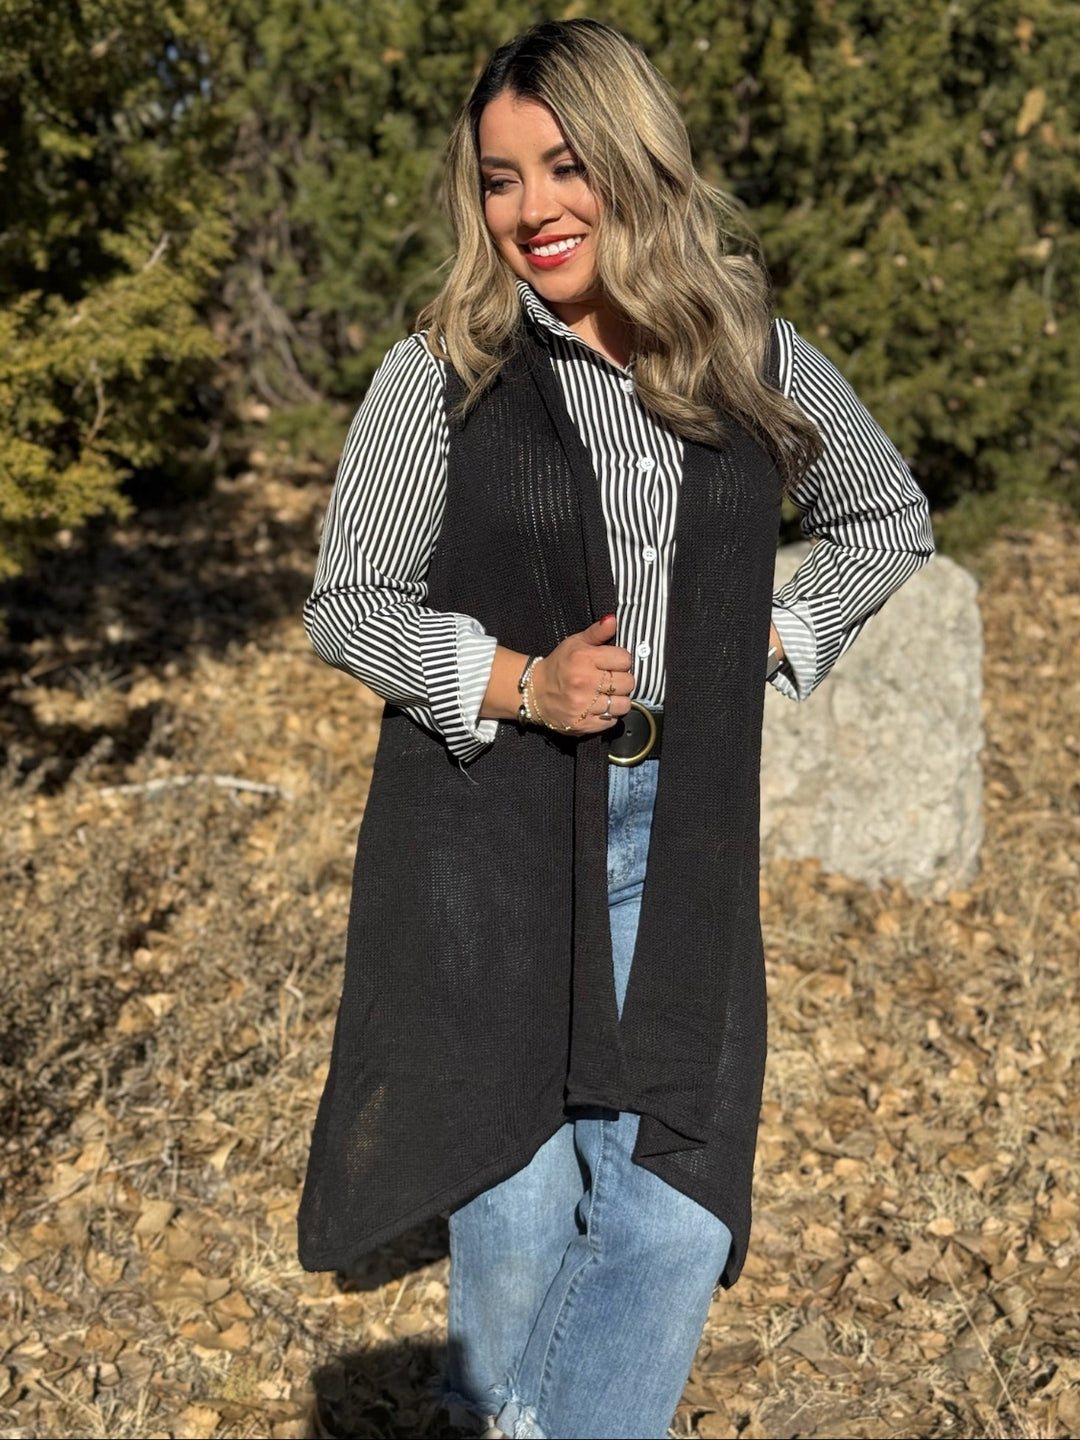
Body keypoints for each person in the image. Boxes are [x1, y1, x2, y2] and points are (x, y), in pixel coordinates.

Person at [298, 19, 933, 1440]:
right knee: (518, 1215)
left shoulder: (743, 352)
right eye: (501, 178)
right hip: (493, 833)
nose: (531, 208)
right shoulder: (440, 374)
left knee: (673, 1207)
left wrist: (765, 635)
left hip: (675, 825)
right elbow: (349, 603)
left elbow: (885, 517)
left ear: (635, 160)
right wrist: (518, 682)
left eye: (564, 165)